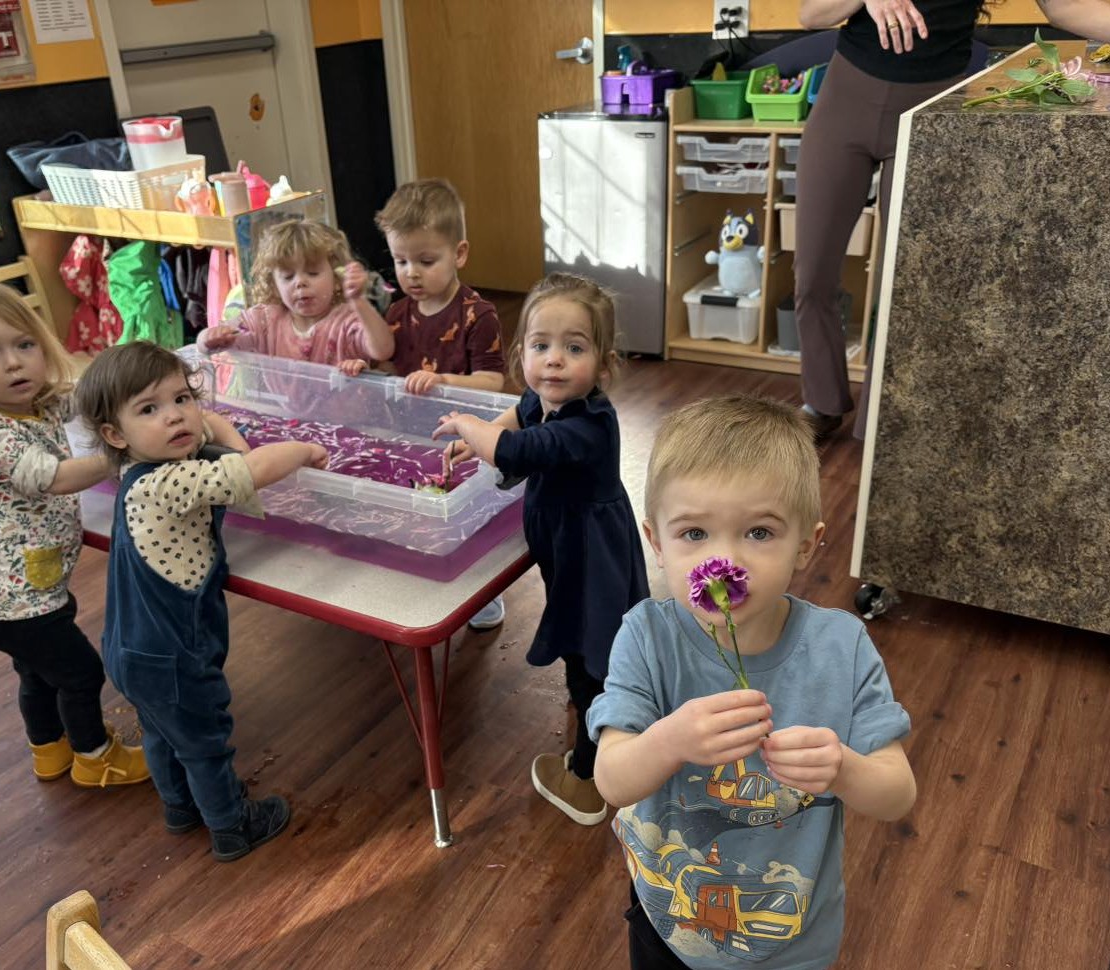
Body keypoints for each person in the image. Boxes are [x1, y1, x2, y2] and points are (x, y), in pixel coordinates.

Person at [588, 395, 916, 969]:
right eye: (693, 533)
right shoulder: (645, 638)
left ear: (807, 544)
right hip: (668, 923)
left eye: (760, 533)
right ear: (656, 543)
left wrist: (845, 768)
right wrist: (669, 741)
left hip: (793, 945)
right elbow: (612, 780)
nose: (726, 560)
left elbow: (897, 794)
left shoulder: (842, 649)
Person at [794, 0, 1110, 441]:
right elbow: (811, 14)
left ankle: (876, 428)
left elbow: (1065, 7)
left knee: (900, 286)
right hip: (845, 97)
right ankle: (822, 402)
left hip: (929, 107)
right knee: (812, 273)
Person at [74, 341, 329, 862]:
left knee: (162, 734)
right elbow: (250, 472)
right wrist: (302, 451)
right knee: (204, 741)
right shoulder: (171, 480)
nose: (174, 416)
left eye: (182, 398)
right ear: (115, 434)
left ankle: (179, 808)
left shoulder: (135, 472)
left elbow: (214, 435)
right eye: (150, 409)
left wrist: (205, 421)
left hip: (129, 649)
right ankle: (232, 825)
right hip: (173, 654)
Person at [432, 273, 650, 825]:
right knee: (592, 646)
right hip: (568, 550)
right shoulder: (545, 397)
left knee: (591, 653)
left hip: (590, 557)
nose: (553, 361)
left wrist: (466, 423)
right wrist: (476, 435)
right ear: (522, 351)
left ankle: (590, 779)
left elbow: (516, 446)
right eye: (541, 345)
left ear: (603, 364)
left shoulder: (589, 425)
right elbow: (519, 414)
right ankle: (604, 715)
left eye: (573, 348)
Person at [0, 283, 150, 789]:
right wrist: (128, 450)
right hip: (14, 602)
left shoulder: (40, 404)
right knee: (81, 674)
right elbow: (53, 476)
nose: (13, 364)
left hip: (26, 591)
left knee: (36, 676)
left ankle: (48, 751)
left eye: (24, 345)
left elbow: (88, 399)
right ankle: (97, 759)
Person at [373, 177, 509, 630]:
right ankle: (422, 579)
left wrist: (443, 380)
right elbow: (390, 372)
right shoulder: (396, 315)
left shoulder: (477, 314)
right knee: (418, 510)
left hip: (465, 436)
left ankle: (478, 594)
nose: (411, 272)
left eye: (426, 261)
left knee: (467, 517)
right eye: (400, 260)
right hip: (411, 433)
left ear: (460, 254)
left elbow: (493, 381)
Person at [196, 219, 394, 372]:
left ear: (335, 278)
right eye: (288, 276)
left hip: (347, 421)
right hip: (289, 421)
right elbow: (210, 346)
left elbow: (383, 350)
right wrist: (207, 338)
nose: (300, 282)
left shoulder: (347, 320)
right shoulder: (264, 321)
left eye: (313, 273)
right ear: (274, 285)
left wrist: (359, 302)